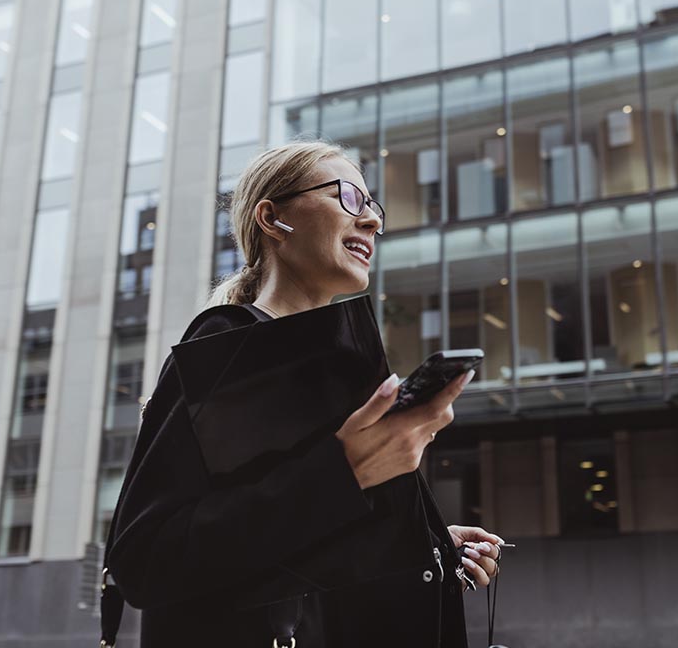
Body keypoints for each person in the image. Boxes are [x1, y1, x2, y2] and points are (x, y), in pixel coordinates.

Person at [107, 139, 504, 647]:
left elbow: (288, 553)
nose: (373, 222)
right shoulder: (230, 345)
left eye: (374, 208)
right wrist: (349, 470)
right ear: (273, 219)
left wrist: (428, 547)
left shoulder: (328, 368)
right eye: (349, 198)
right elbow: (148, 558)